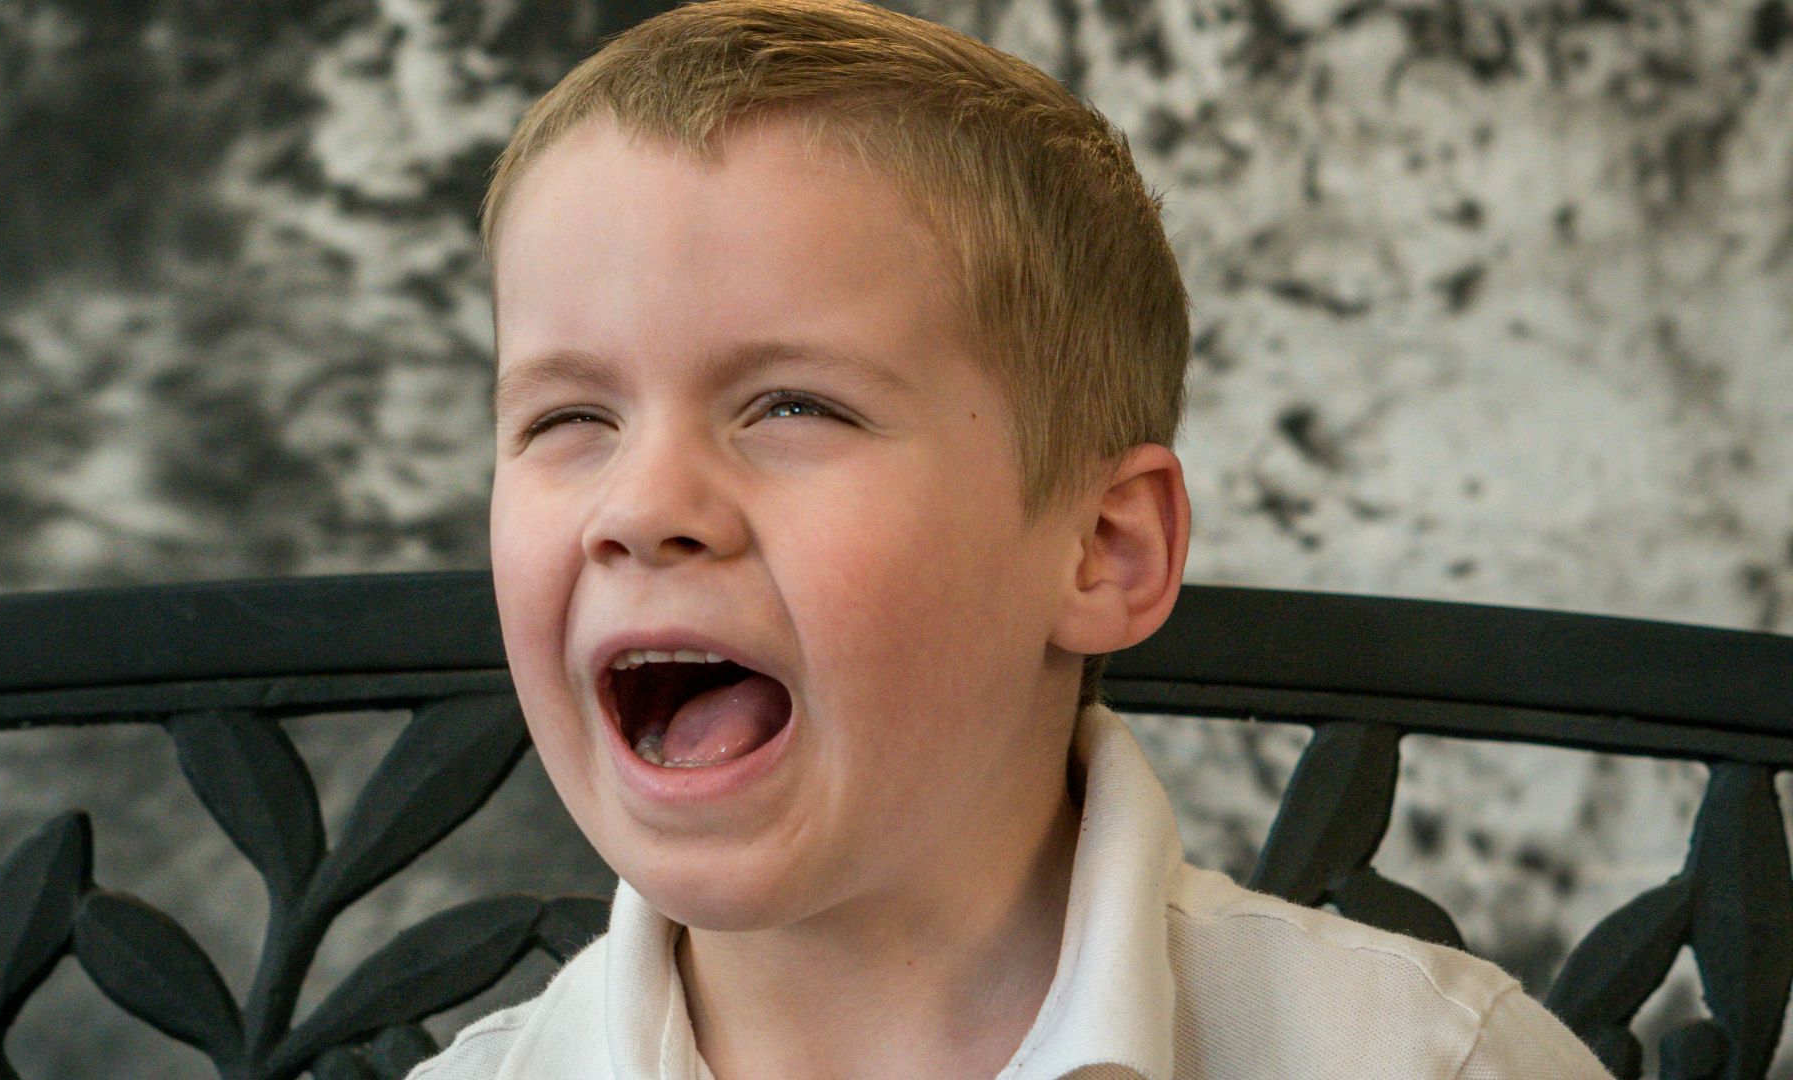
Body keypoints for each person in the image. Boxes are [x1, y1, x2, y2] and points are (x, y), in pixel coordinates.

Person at [409, 1, 1615, 1076]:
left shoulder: (1430, 1062)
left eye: (792, 406)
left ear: (1103, 549)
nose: (639, 508)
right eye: (571, 417)